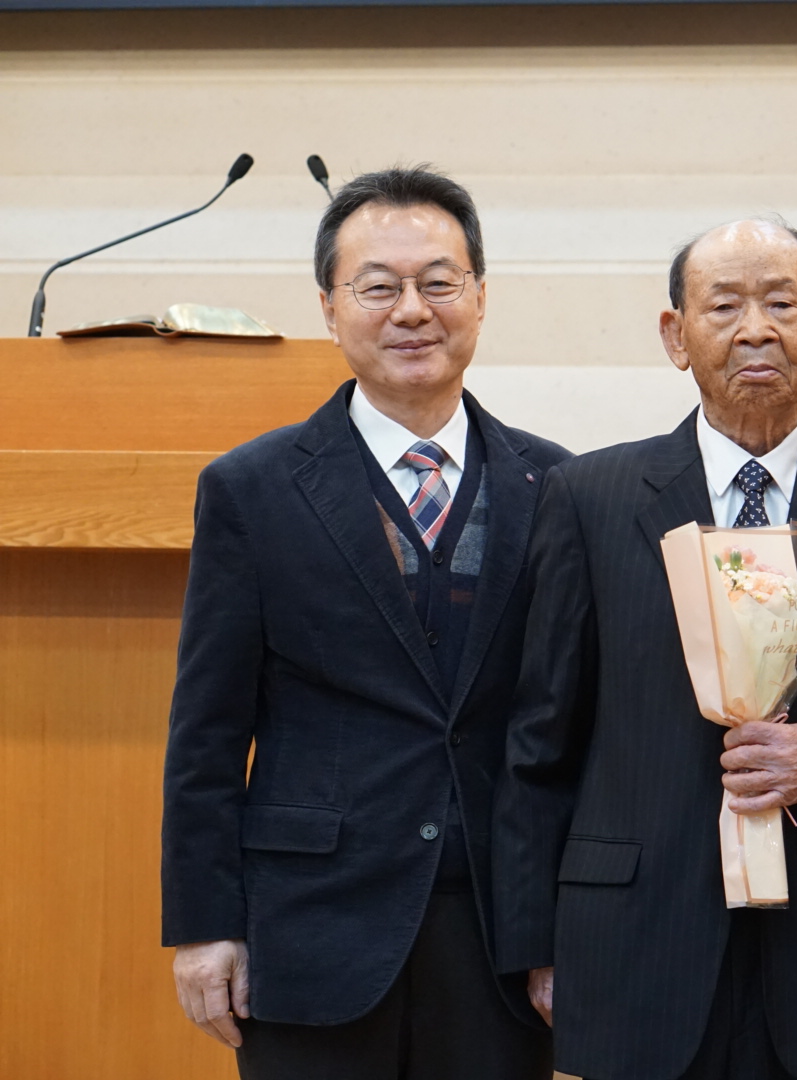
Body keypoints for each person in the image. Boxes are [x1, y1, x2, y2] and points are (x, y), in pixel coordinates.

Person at [494, 218, 797, 1080]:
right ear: (676, 336)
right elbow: (537, 739)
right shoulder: (587, 499)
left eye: (782, 304)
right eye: (725, 305)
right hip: (633, 948)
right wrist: (534, 942)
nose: (755, 330)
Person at [161, 166, 568, 1080]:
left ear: (481, 296)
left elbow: (576, 726)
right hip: (309, 931)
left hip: (502, 940)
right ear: (329, 309)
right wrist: (204, 925)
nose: (412, 311)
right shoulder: (252, 489)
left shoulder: (557, 485)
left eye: (439, 282)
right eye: (378, 287)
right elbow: (207, 732)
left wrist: (572, 923)